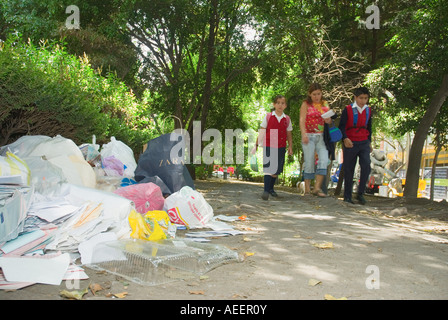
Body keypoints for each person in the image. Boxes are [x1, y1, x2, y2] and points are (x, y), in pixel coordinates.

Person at [252, 95, 293, 200]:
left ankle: (271, 189)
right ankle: (266, 191)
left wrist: (290, 147)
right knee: (268, 168)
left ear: (285, 106)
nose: (280, 105)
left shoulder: (287, 119)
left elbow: (289, 134)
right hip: (268, 145)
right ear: (274, 104)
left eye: (282, 103)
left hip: (281, 146)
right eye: (278, 103)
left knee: (276, 171)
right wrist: (256, 145)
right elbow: (262, 131)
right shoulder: (268, 116)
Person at [338, 87, 373, 205]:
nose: (363, 101)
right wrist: (345, 138)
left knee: (366, 166)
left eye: (365, 98)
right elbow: (341, 127)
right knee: (349, 169)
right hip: (350, 142)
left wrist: (369, 142)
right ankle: (347, 195)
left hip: (363, 142)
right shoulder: (347, 110)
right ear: (355, 98)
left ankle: (360, 193)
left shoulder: (368, 110)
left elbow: (370, 127)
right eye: (361, 98)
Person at [299, 83, 332, 197]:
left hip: (321, 136)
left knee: (323, 160)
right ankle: (307, 189)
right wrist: (304, 134)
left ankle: (317, 188)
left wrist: (328, 121)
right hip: (309, 136)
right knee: (309, 161)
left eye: (318, 94)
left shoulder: (324, 104)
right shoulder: (306, 104)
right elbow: (302, 120)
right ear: (309, 94)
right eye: (314, 94)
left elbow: (328, 120)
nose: (317, 96)